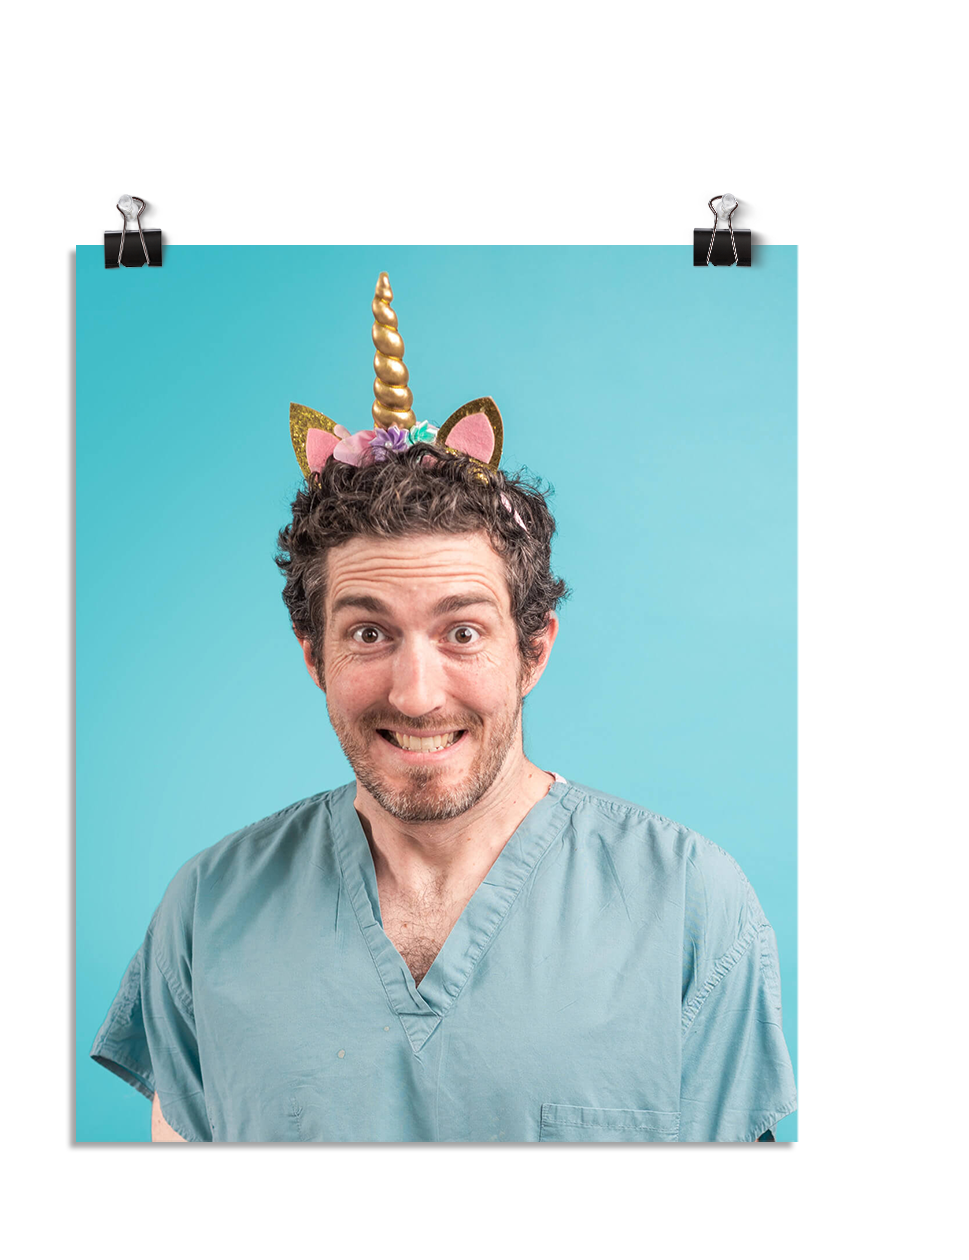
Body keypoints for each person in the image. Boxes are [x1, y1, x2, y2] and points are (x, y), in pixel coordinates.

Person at [91, 273, 797, 1143]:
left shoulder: (692, 905)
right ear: (313, 657)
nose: (416, 694)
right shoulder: (208, 911)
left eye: (462, 632)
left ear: (532, 650)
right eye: (366, 635)